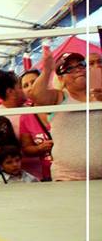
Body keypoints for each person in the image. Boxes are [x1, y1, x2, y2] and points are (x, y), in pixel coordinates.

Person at [29, 51, 102, 180]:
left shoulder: (99, 94)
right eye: (69, 68)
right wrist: (46, 71)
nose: (78, 70)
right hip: (68, 177)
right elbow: (36, 95)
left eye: (81, 65)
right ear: (61, 78)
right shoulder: (59, 97)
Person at [0, 69, 45, 180]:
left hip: (41, 172)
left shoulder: (32, 110)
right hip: (15, 178)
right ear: (10, 92)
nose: (24, 90)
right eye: (21, 87)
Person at [18, 69, 53, 180]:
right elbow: (26, 148)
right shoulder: (25, 117)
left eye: (34, 82)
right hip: (50, 174)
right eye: (25, 85)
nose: (30, 87)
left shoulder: (62, 104)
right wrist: (39, 148)